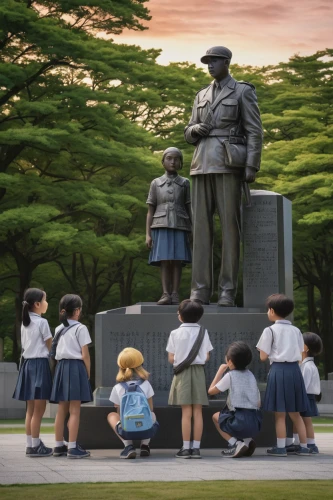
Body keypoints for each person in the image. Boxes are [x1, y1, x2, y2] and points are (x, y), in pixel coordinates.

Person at [184, 46, 263, 306]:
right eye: (207, 61)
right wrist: (195, 128)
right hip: (200, 164)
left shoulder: (242, 90)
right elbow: (187, 133)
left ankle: (227, 290)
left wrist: (252, 165)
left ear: (227, 62)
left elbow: (254, 130)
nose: (210, 65)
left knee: (230, 229)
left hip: (228, 164)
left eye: (214, 61)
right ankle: (200, 290)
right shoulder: (201, 94)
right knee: (200, 231)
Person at [256, 294, 310, 456]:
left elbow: (263, 357)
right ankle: (305, 447)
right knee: (295, 413)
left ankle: (280, 447)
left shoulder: (269, 330)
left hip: (278, 370)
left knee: (280, 413)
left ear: (272, 311)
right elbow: (301, 354)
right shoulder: (296, 330)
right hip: (294, 371)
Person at [166, 299, 213, 458]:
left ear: (180, 316)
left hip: (182, 374)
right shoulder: (203, 332)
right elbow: (206, 356)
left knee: (186, 412)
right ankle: (196, 448)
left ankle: (185, 448)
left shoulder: (175, 333)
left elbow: (171, 358)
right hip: (199, 372)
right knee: (198, 412)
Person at [146, 147, 192, 305]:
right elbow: (150, 210)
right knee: (165, 260)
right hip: (160, 224)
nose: (173, 161)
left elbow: (189, 208)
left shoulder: (185, 183)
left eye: (176, 159)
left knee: (178, 260)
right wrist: (148, 234)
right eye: (169, 158)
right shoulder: (156, 183)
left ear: (181, 163)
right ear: (163, 161)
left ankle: (175, 294)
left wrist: (192, 229)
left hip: (180, 224)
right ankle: (165, 293)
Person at [50, 294, 93, 459]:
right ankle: (73, 447)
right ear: (76, 311)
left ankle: (59, 446)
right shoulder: (80, 328)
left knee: (61, 410)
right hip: (76, 368)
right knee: (75, 410)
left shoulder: (58, 329)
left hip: (61, 368)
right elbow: (85, 355)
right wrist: (87, 372)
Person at [12, 288, 53, 457]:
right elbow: (51, 346)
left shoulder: (25, 322)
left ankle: (30, 444)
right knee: (39, 409)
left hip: (27, 365)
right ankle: (36, 445)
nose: (46, 303)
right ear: (37, 304)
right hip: (39, 365)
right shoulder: (42, 323)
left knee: (30, 409)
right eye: (45, 300)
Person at [208, 341, 262, 458]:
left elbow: (211, 391)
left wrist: (220, 371)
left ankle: (236, 443)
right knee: (239, 416)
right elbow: (258, 402)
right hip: (255, 422)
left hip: (240, 422)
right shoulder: (251, 375)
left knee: (216, 417)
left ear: (230, 361)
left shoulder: (230, 376)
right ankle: (247, 441)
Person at [107, 347, 159, 459]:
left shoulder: (118, 387)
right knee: (152, 415)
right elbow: (150, 409)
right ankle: (145, 445)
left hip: (127, 429)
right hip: (146, 428)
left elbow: (119, 412)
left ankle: (128, 446)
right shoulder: (146, 384)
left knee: (112, 415)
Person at [287, 332, 323, 455]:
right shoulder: (305, 364)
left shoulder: (308, 366)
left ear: (305, 348)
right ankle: (297, 443)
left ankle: (311, 444)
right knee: (299, 420)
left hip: (306, 396)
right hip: (305, 396)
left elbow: (304, 385)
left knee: (306, 421)